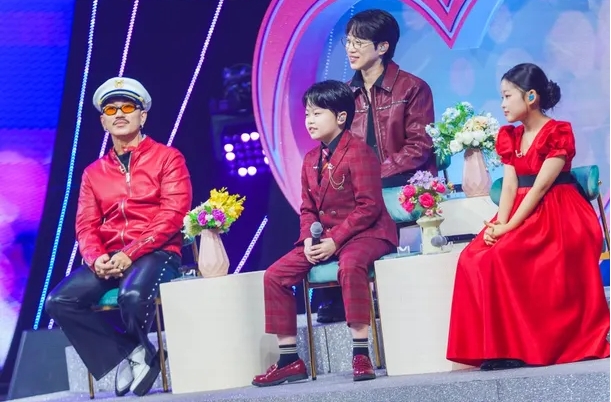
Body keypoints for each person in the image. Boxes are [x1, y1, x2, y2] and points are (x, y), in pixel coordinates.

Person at [446, 63, 610, 370]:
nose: (503, 104)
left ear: (531, 96)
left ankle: (520, 348)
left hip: (558, 213)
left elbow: (540, 187)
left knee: (503, 255)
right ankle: (498, 346)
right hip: (521, 211)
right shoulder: (510, 136)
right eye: (502, 96)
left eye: (508, 96)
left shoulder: (558, 132)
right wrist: (498, 223)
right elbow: (510, 185)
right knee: (472, 257)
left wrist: (509, 226)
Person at [45, 77, 193, 396]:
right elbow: (86, 225)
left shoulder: (168, 158)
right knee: (58, 301)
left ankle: (135, 353)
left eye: (127, 107)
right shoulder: (93, 172)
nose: (120, 114)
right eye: (111, 110)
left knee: (132, 296)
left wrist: (132, 252)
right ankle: (135, 353)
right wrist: (95, 257)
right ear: (103, 121)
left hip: (157, 251)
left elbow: (173, 214)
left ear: (143, 115)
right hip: (110, 256)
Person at [252, 80, 398, 386]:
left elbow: (369, 207)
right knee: (275, 275)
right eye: (307, 114)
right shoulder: (310, 160)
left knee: (351, 264)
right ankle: (290, 360)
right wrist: (308, 238)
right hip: (325, 238)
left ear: (341, 117)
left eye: (317, 114)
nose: (309, 120)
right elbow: (307, 208)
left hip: (367, 233)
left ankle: (361, 353)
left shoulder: (360, 152)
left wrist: (335, 240)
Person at [316, 8, 436, 324]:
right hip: (363, 184)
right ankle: (336, 291)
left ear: (382, 47)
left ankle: (371, 291)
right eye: (348, 42)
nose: (350, 49)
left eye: (359, 42)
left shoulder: (412, 88)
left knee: (360, 204)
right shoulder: (344, 95)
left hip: (403, 179)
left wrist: (371, 174)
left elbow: (419, 146)